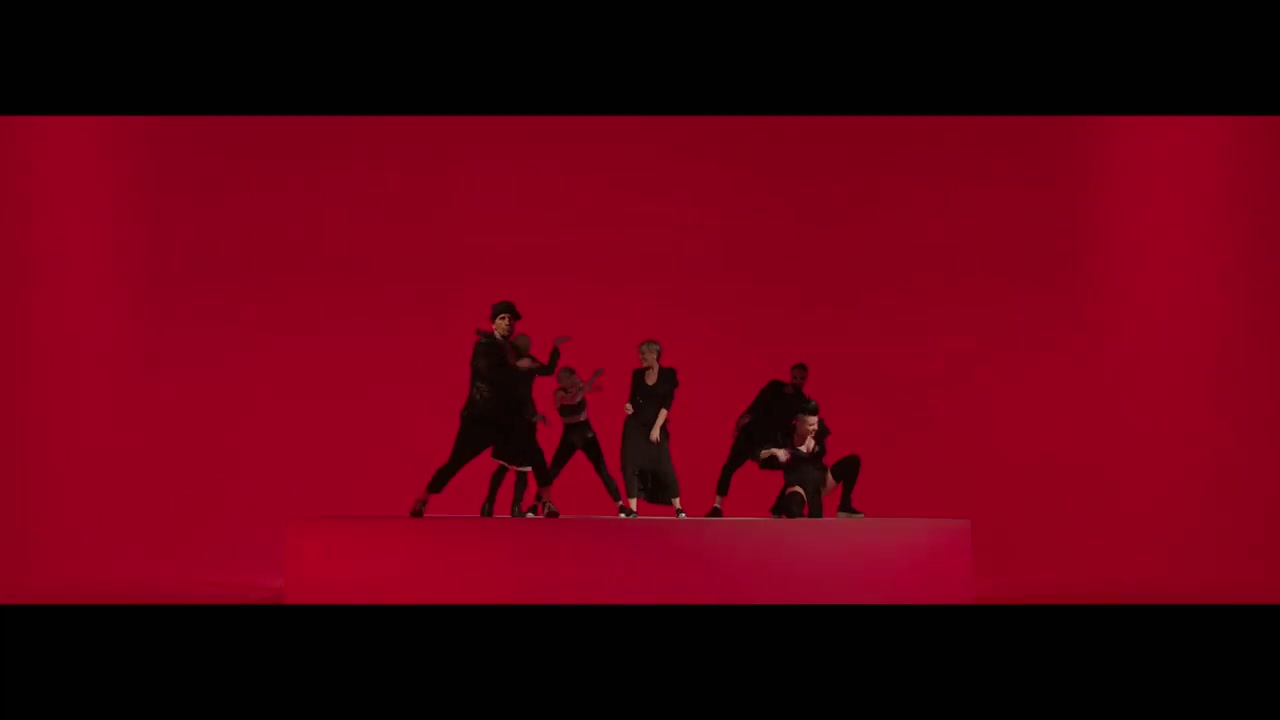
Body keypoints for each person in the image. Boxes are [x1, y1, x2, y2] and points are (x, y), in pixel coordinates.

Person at [409, 301, 561, 517]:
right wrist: (519, 367)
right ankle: (423, 498)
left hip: (510, 418)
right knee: (456, 461)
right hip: (482, 417)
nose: (508, 322)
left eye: (511, 319)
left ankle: (547, 503)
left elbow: (541, 370)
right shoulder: (483, 346)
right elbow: (490, 375)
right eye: (502, 318)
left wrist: (551, 354)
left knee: (536, 455)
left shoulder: (515, 350)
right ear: (493, 324)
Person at [706, 363, 814, 517]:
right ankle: (717, 506)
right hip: (749, 435)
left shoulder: (801, 401)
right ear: (790, 376)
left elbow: (798, 425)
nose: (798, 381)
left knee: (794, 467)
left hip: (768, 445)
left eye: (801, 378)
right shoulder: (774, 386)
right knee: (729, 467)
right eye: (795, 377)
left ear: (806, 379)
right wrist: (740, 422)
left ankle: (778, 508)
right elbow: (756, 404)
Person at [482, 333, 567, 517]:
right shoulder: (521, 362)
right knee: (520, 467)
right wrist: (554, 349)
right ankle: (510, 506)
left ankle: (492, 504)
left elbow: (546, 370)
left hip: (515, 418)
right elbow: (547, 370)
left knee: (509, 466)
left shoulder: (512, 363)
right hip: (520, 418)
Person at [535, 366, 631, 517]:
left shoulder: (578, 387)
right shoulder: (559, 394)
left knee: (602, 470)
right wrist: (592, 379)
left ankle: (620, 506)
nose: (570, 379)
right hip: (570, 435)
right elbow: (575, 399)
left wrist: (592, 386)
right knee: (554, 469)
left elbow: (584, 391)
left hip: (586, 433)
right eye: (564, 378)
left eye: (569, 376)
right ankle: (536, 504)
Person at [758, 400, 863, 519]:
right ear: (797, 423)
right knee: (793, 509)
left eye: (816, 423)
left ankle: (845, 505)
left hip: (821, 480)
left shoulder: (819, 431)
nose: (816, 428)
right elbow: (760, 454)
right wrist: (773, 451)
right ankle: (787, 506)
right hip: (798, 485)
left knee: (853, 461)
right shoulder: (784, 437)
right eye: (811, 425)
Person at [620, 339, 685, 517]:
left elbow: (667, 403)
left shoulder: (668, 374)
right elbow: (633, 398)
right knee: (629, 464)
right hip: (635, 425)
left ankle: (678, 508)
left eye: (643, 354)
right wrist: (628, 406)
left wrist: (657, 427)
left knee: (664, 465)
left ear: (654, 354)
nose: (640, 357)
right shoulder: (637, 375)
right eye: (639, 354)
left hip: (656, 424)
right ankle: (633, 509)